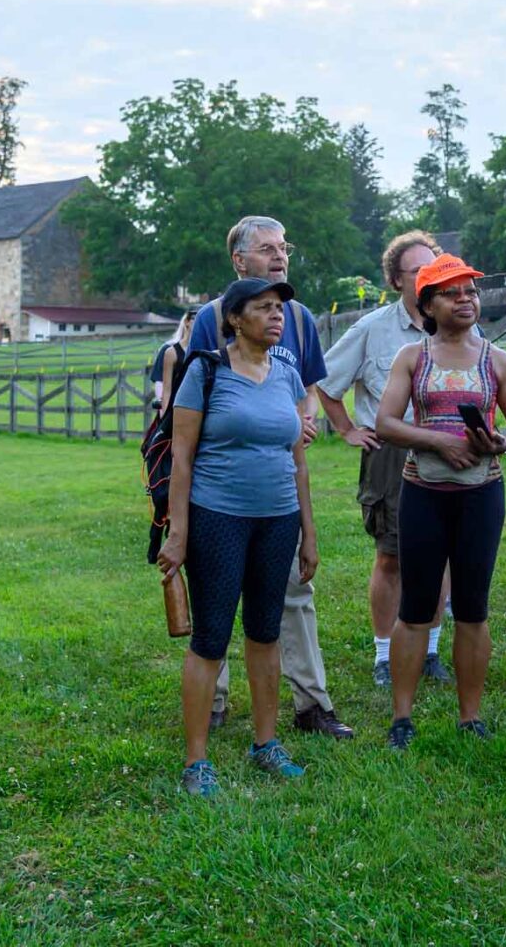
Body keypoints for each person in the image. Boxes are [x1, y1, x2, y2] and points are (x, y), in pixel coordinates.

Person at [188, 216, 351, 739]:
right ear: (240, 261)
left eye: (284, 248)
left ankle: (312, 704)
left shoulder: (298, 318)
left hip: (281, 482)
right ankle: (213, 700)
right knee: (218, 594)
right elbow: (194, 398)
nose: (280, 256)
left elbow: (306, 388)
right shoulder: (212, 319)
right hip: (223, 489)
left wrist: (306, 415)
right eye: (266, 249)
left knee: (294, 594)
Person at [157, 278, 319, 797]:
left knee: (266, 632)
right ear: (233, 318)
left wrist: (308, 532)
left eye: (279, 309)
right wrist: (177, 532)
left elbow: (297, 458)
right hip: (217, 517)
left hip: (279, 519)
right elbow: (181, 457)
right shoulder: (205, 370)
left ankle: (265, 744)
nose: (277, 317)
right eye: (264, 308)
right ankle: (197, 761)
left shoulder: (288, 374)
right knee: (210, 639)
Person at [375, 254, 506, 749]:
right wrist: (437, 440)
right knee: (415, 608)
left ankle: (470, 716)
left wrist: (504, 444)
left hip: (480, 496)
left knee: (472, 607)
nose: (465, 299)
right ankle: (402, 716)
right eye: (451, 292)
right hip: (423, 493)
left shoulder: (497, 360)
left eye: (470, 291)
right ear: (427, 303)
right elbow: (386, 423)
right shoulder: (413, 358)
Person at [316, 230, 456, 687]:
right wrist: (346, 428)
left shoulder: (455, 324)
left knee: (442, 555)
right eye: (417, 270)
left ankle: (432, 651)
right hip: (391, 455)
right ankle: (383, 655)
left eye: (433, 267)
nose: (427, 276)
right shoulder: (373, 329)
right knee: (391, 557)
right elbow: (325, 380)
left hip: (447, 448)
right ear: (397, 280)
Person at [151, 307, 200, 416]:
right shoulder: (169, 351)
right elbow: (161, 383)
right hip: (173, 407)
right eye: (195, 319)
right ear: (187, 322)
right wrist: (163, 412)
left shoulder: (206, 352)